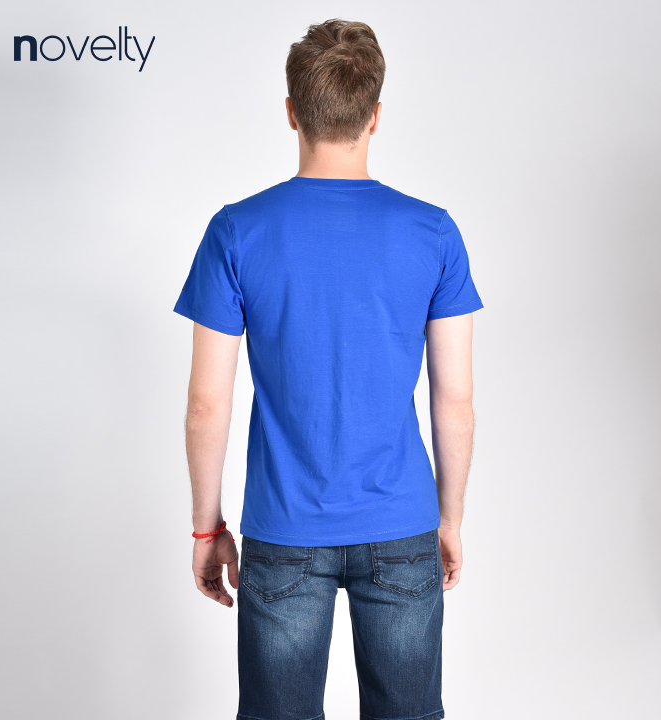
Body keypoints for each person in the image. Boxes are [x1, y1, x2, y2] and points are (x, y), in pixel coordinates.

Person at [174, 18, 483, 720]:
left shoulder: (236, 230)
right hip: (402, 524)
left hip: (283, 528)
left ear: (292, 112)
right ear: (375, 115)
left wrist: (206, 528)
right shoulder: (433, 232)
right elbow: (456, 401)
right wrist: (449, 518)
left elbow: (206, 404)